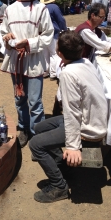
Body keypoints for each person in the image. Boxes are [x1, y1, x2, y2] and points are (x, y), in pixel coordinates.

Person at [29, 30, 108, 203]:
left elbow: (72, 112)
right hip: (92, 119)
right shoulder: (86, 62)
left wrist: (73, 147)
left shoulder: (68, 74)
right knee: (38, 127)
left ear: (59, 53)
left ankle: (59, 186)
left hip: (87, 127)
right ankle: (62, 167)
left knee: (35, 144)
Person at [0, 0, 54, 148]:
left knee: (35, 101)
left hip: (33, 60)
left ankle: (37, 135)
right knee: (19, 98)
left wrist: (28, 43)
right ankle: (23, 128)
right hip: (16, 60)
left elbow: (48, 35)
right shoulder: (10, 10)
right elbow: (4, 32)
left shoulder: (40, 9)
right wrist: (7, 38)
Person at [40, 0, 67, 80]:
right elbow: (61, 20)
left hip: (43, 33)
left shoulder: (41, 7)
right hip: (53, 33)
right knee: (54, 53)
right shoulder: (54, 7)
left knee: (45, 53)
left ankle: (45, 71)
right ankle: (54, 73)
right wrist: (64, 29)